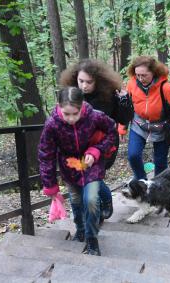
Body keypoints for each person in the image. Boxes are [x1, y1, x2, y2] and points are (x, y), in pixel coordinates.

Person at [39, 87, 117, 256]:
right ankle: (80, 229)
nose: (72, 119)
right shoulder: (52, 125)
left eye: (75, 113)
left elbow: (112, 132)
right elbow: (46, 155)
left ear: (82, 106)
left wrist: (96, 151)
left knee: (90, 199)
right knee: (75, 199)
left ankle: (92, 239)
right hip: (70, 167)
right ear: (59, 106)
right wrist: (50, 186)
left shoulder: (95, 116)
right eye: (67, 114)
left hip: (92, 165)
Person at [59, 59, 132, 240]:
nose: (84, 86)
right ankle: (100, 207)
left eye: (89, 82)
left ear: (98, 81)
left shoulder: (109, 95)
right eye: (81, 81)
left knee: (91, 180)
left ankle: (98, 212)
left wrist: (124, 100)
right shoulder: (70, 95)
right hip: (77, 149)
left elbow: (124, 118)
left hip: (103, 147)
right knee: (86, 183)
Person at [120, 56, 170, 180]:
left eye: (144, 75)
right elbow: (126, 108)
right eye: (138, 75)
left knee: (160, 162)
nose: (140, 79)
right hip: (139, 124)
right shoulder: (131, 84)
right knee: (133, 155)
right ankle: (142, 182)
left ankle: (158, 189)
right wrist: (122, 127)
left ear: (154, 72)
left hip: (161, 127)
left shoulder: (166, 88)